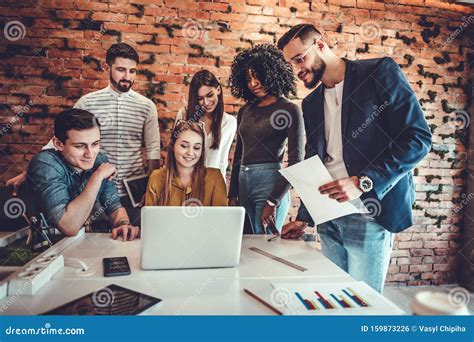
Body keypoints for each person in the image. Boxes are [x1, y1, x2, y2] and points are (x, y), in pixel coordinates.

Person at [277, 24, 432, 292]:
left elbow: (418, 137)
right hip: (328, 219)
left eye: (299, 59)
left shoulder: (379, 72)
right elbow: (317, 160)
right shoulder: (310, 104)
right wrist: (305, 215)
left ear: (321, 45)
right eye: (290, 64)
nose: (296, 70)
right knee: (334, 302)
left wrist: (363, 182)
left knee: (363, 307)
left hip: (369, 215)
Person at [6, 43, 161, 226]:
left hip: (134, 190)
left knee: (129, 236)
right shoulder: (87, 102)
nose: (127, 77)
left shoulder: (147, 106)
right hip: (94, 189)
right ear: (107, 68)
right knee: (93, 240)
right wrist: (29, 172)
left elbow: (153, 149)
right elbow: (62, 138)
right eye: (121, 70)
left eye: (132, 71)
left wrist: (151, 188)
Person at [27, 108, 139, 241]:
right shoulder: (45, 163)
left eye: (95, 144)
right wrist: (97, 177)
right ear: (58, 144)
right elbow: (69, 226)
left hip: (84, 243)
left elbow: (113, 206)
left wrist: (123, 224)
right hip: (49, 248)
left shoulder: (99, 160)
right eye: (80, 146)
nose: (90, 154)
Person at [228, 44, 304, 234]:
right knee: (245, 245)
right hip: (244, 184)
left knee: (266, 246)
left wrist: (273, 200)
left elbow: (296, 162)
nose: (253, 83)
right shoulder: (245, 110)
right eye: (248, 79)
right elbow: (239, 154)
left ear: (271, 72)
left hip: (269, 185)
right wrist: (232, 194)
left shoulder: (289, 109)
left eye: (257, 75)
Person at [145, 120, 227, 206]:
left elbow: (221, 218)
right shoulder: (156, 178)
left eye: (196, 147)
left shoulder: (215, 177)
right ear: (172, 146)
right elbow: (151, 218)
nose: (190, 153)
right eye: (184, 146)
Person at [175, 70, 237, 180]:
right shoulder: (184, 115)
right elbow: (175, 151)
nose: (206, 102)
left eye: (209, 95)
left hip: (211, 184)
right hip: (185, 180)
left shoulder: (229, 122)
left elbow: (222, 161)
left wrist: (220, 190)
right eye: (200, 98)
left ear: (218, 90)